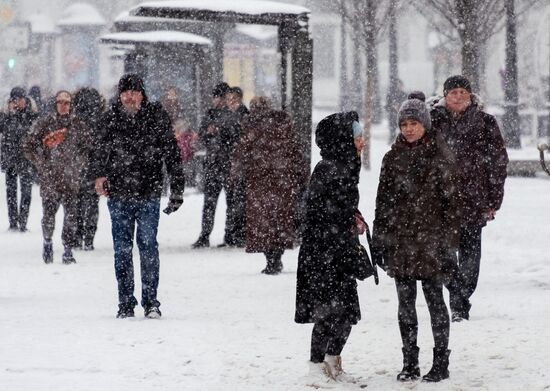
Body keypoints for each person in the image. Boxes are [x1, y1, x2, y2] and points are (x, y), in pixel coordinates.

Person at [372, 98, 460, 382]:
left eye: (414, 123)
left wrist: (448, 243)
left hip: (432, 241)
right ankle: (409, 360)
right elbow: (382, 203)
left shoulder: (441, 155)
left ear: (425, 124)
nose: (409, 129)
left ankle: (441, 360)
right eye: (404, 124)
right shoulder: (392, 157)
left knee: (435, 301)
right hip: (402, 241)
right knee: (405, 304)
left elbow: (452, 205)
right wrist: (380, 240)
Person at [91, 74, 185, 319]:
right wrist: (99, 175)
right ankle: (125, 301)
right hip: (119, 192)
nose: (129, 97)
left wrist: (177, 188)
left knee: (147, 245)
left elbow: (171, 152)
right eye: (125, 92)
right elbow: (99, 149)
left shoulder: (156, 116)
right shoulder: (110, 118)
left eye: (133, 92)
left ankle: (151, 300)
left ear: (142, 94)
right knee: (122, 249)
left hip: (148, 191)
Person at [295, 111, 366, 385]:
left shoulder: (346, 165)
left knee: (346, 312)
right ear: (343, 140)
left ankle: (332, 361)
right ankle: (316, 366)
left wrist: (353, 216)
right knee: (328, 312)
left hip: (339, 250)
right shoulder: (329, 168)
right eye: (357, 136)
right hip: (324, 253)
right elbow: (315, 211)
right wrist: (343, 223)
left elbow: (339, 204)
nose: (362, 141)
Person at [431, 75, 509, 322]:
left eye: (462, 92)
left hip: (474, 199)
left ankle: (460, 301)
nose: (457, 96)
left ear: (471, 96)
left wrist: (493, 199)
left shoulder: (485, 123)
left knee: (470, 254)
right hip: (440, 200)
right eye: (452, 92)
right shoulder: (433, 121)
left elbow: (498, 161)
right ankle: (456, 293)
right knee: (444, 254)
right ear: (444, 96)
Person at [230, 96, 305, 274]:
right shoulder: (284, 124)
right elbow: (296, 150)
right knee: (280, 220)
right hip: (282, 180)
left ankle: (270, 259)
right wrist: (300, 174)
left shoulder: (251, 125)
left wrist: (235, 174)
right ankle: (276, 257)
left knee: (263, 223)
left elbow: (242, 151)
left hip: (259, 181)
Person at [23, 90, 91, 264]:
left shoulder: (78, 125)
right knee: (48, 216)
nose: (63, 105)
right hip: (50, 178)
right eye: (60, 102)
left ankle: (68, 249)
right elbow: (28, 146)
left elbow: (87, 148)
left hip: (70, 179)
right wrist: (41, 164)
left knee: (71, 216)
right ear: (55, 104)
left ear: (71, 105)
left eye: (67, 102)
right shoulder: (44, 123)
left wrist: (77, 165)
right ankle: (47, 242)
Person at [192, 82, 241, 248]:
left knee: (231, 201)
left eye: (218, 97)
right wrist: (208, 133)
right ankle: (205, 235)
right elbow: (201, 137)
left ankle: (230, 235)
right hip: (214, 164)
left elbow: (237, 137)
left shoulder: (236, 113)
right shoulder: (211, 114)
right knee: (210, 202)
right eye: (215, 98)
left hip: (228, 164)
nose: (215, 101)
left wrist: (218, 133)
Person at [0, 87, 39, 232]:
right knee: (10, 192)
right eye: (14, 100)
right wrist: (8, 113)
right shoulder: (6, 115)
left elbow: (36, 133)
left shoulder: (32, 114)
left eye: (20, 99)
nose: (18, 102)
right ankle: (12, 222)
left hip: (26, 158)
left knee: (26, 191)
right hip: (10, 158)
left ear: (25, 99)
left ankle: (23, 222)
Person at [73, 87, 105, 250]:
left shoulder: (75, 119)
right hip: (95, 165)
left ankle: (77, 236)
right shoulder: (100, 119)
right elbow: (102, 144)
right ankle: (89, 237)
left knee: (76, 202)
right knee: (92, 203)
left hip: (78, 166)